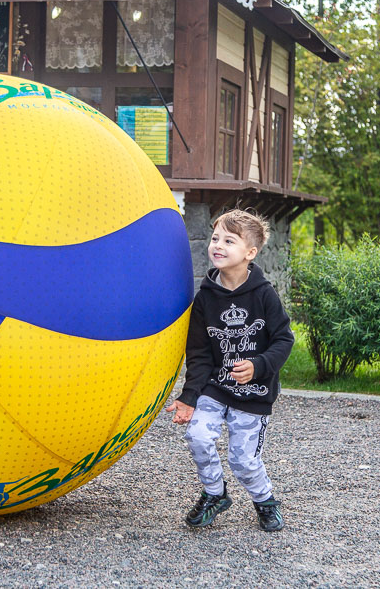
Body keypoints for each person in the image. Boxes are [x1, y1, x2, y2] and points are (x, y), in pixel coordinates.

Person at [165, 209, 294, 532]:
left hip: (254, 394)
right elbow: (198, 353)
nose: (217, 245)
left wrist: (259, 366)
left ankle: (265, 501)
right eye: (214, 238)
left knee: (243, 460)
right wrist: (189, 397)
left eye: (228, 240)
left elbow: (283, 339)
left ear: (250, 253)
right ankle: (214, 494)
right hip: (215, 388)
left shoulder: (264, 294)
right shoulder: (205, 298)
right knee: (197, 435)